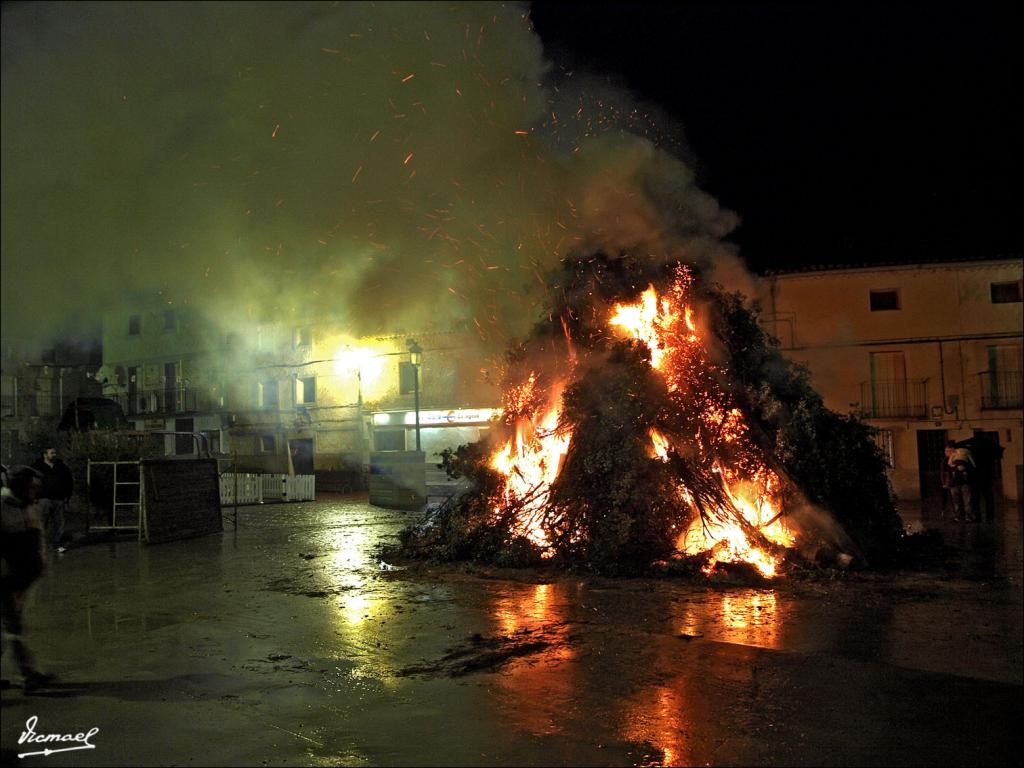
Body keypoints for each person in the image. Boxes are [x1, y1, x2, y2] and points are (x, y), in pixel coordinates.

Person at [1, 466, 55, 692]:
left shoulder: (26, 507)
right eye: (31, 487)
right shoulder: (4, 508)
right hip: (8, 580)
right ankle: (29, 675)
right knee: (14, 628)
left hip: (21, 579)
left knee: (9, 629)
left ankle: (29, 673)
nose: (35, 492)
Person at [31, 447, 73, 554]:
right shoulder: (37, 467)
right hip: (43, 499)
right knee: (42, 523)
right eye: (51, 453)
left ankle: (56, 544)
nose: (54, 455)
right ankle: (40, 546)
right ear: (45, 454)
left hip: (58, 499)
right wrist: (33, 497)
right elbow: (31, 483)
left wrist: (67, 496)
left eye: (55, 453)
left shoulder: (61, 467)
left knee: (58, 523)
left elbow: (69, 481)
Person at [947, 458, 973, 523]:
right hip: (955, 484)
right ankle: (958, 517)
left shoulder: (964, 460)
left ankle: (968, 517)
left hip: (964, 484)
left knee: (966, 502)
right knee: (957, 502)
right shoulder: (950, 460)